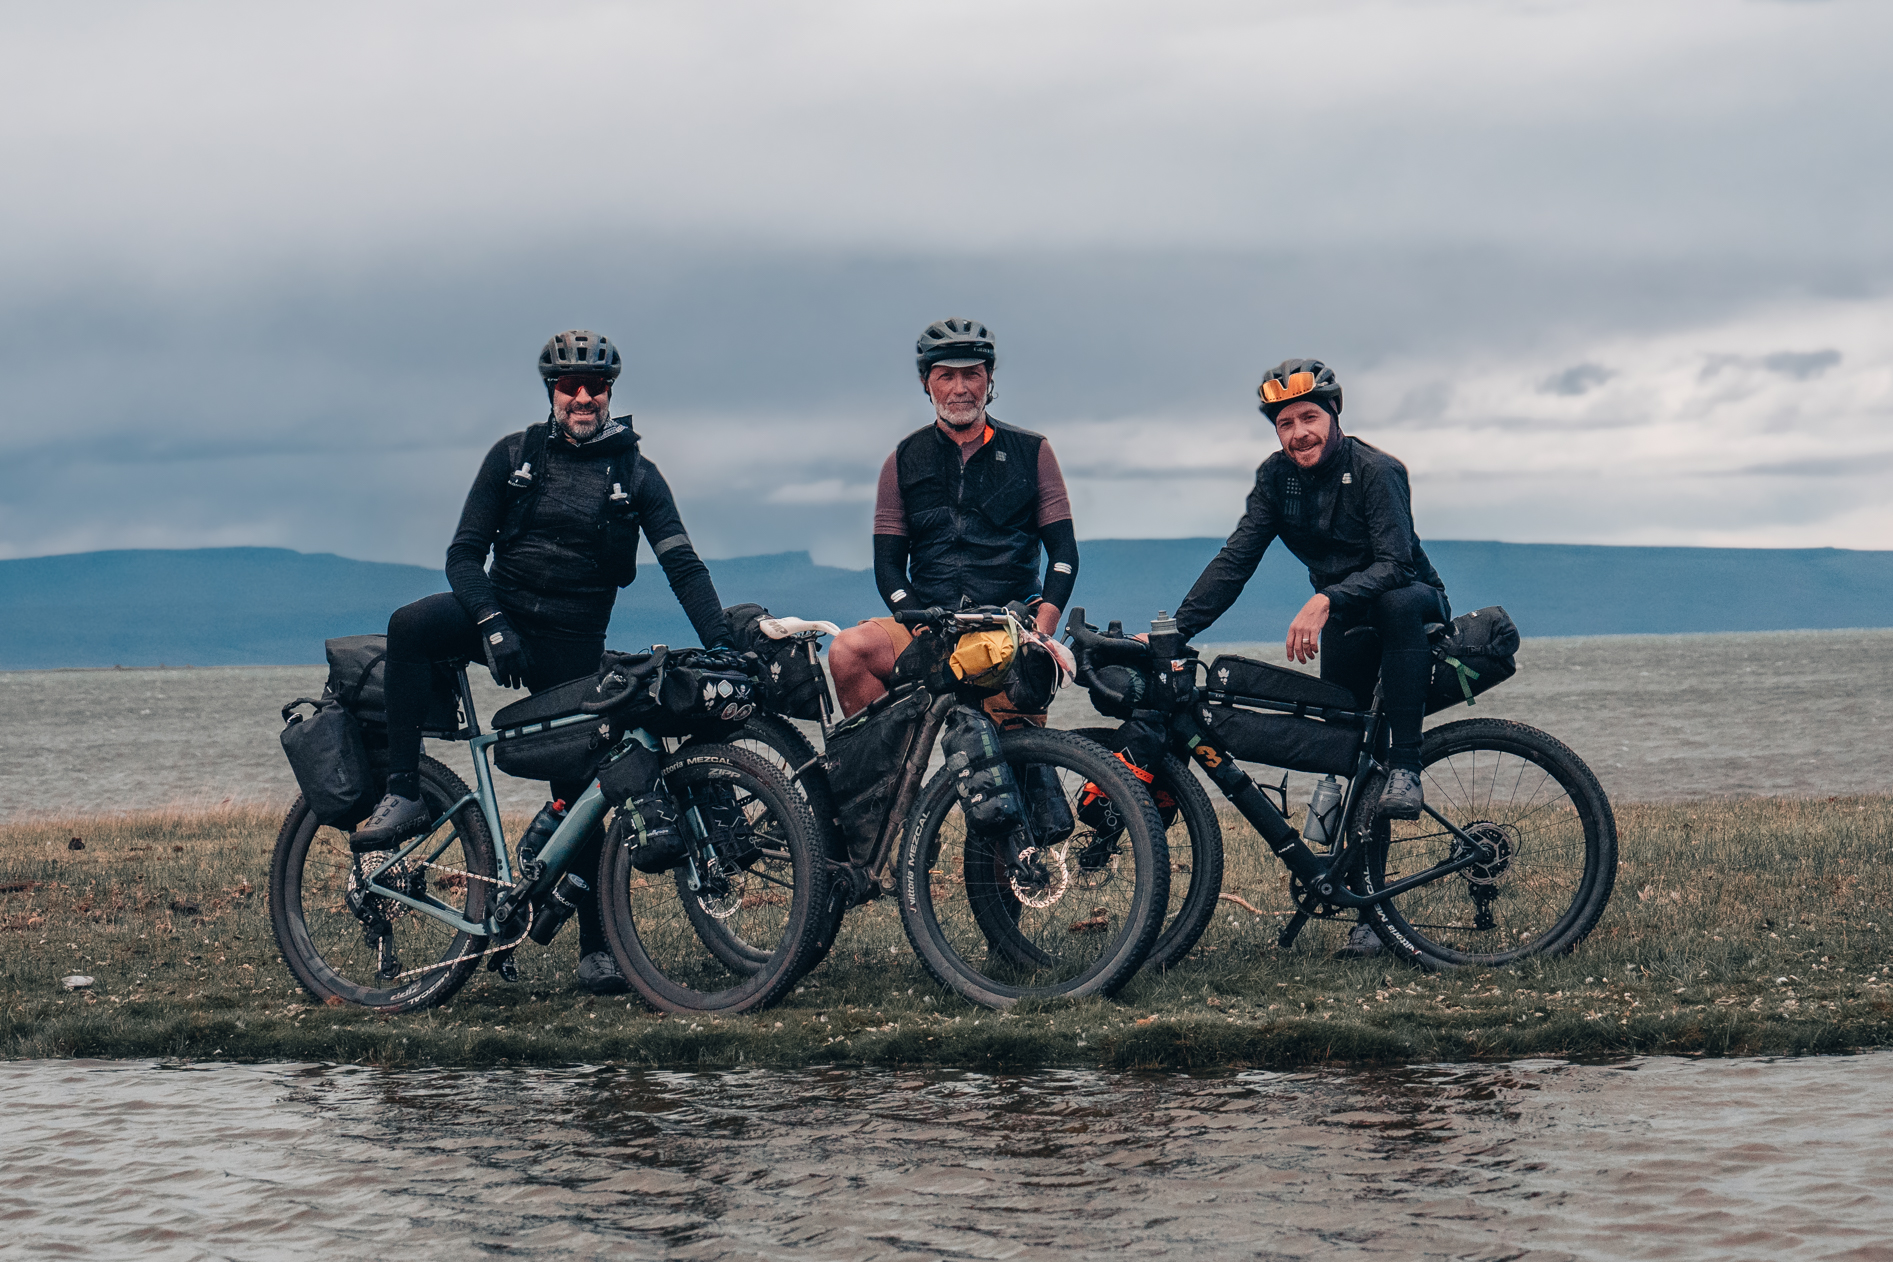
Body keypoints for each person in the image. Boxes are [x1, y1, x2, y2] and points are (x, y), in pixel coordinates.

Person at [350, 329, 735, 994]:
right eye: (569, 386)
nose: (583, 397)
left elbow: (683, 566)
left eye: (595, 386)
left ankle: (597, 950)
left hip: (572, 642)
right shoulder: (514, 456)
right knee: (409, 626)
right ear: (552, 392)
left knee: (584, 788)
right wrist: (491, 623)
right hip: (500, 617)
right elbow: (462, 555)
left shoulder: (637, 476)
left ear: (610, 392)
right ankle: (404, 790)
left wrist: (723, 642)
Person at [1172, 359, 1448, 956]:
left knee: (1397, 604)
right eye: (1285, 423)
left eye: (1308, 417)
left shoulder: (1377, 471)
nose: (1298, 433)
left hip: (1409, 608)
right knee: (1354, 764)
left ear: (1334, 415)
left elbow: (1395, 563)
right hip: (1346, 620)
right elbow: (1236, 560)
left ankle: (1408, 765)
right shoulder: (1277, 480)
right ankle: (1370, 914)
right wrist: (1176, 629)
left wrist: (1325, 599)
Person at [826, 317, 1080, 727]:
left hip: (1010, 626)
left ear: (989, 379)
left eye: (971, 375)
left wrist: (1042, 633)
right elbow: (888, 566)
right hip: (929, 624)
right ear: (926, 383)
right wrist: (922, 629)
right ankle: (888, 766)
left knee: (1016, 763)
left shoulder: (1033, 451)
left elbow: (1064, 554)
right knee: (848, 649)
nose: (960, 388)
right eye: (946, 376)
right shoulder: (902, 460)